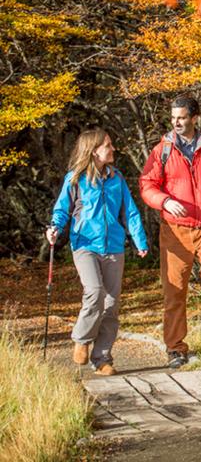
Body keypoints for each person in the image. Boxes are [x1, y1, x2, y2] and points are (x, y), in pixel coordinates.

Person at [139, 95, 201, 368]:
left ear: (195, 118)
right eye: (173, 118)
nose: (177, 123)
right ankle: (175, 348)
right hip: (174, 230)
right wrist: (165, 201)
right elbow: (147, 185)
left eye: (182, 118)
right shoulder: (162, 150)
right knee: (175, 289)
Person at [46, 128, 148, 375]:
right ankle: (81, 339)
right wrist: (54, 227)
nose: (113, 149)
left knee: (111, 305)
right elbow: (62, 210)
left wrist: (140, 241)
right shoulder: (75, 179)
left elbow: (130, 211)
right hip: (85, 245)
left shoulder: (117, 178)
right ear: (94, 151)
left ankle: (102, 358)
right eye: (108, 145)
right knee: (94, 292)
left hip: (113, 245)